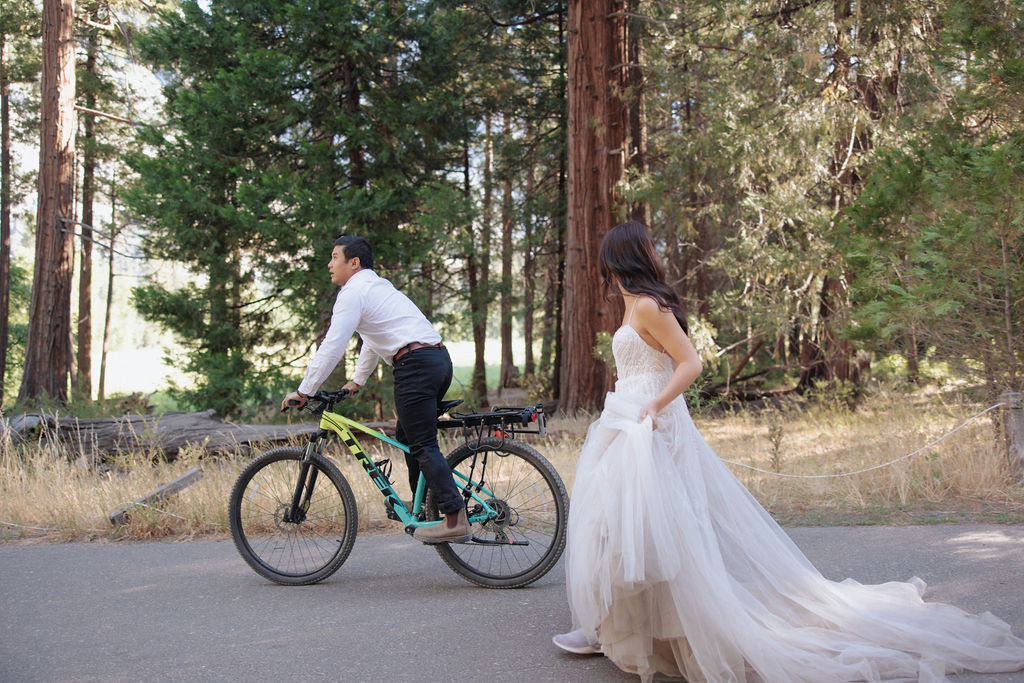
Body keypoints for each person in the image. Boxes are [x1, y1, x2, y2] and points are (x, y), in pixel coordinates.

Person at [553, 221, 1024, 682]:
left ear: (620, 258)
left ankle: (630, 630)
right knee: (614, 525)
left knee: (646, 532)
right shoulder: (632, 304)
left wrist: (654, 405)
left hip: (652, 425)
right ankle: (611, 627)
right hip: (628, 421)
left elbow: (690, 363)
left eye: (607, 258)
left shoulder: (651, 307)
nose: (603, 266)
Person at [281, 235, 469, 544]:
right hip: (436, 359)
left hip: (416, 366)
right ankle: (424, 504)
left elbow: (332, 346)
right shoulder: (378, 287)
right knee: (407, 436)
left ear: (353, 262)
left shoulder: (353, 293)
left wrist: (304, 390)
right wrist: (357, 380)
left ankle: (454, 518)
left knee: (422, 444)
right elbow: (373, 335)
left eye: (334, 258)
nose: (329, 264)